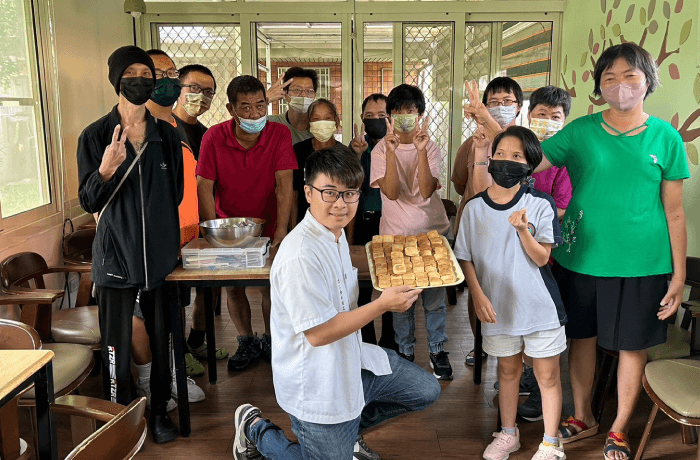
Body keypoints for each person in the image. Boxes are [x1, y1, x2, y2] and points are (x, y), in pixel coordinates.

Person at [232, 148, 441, 460]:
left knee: (425, 389)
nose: (341, 204)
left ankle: (346, 437)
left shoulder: (335, 233)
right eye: (329, 193)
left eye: (350, 194)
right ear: (308, 192)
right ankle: (255, 428)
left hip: (350, 361)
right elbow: (318, 334)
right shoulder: (301, 254)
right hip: (316, 384)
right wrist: (383, 305)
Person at [534, 43, 688, 460]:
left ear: (647, 81)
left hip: (643, 262)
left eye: (630, 76)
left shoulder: (666, 137)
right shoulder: (581, 131)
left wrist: (677, 276)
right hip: (581, 254)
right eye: (610, 78)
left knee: (631, 345)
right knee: (581, 338)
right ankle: (583, 415)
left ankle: (618, 427)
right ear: (599, 87)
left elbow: (675, 213)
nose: (621, 86)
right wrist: (490, 136)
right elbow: (527, 162)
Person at [77, 45, 183, 444]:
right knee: (116, 348)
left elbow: (172, 193)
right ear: (117, 79)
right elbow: (89, 200)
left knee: (161, 339)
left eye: (146, 72)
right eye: (131, 72)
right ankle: (119, 416)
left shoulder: (166, 137)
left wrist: (161, 240)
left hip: (158, 259)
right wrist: (105, 169)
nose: (140, 78)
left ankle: (158, 412)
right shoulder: (95, 135)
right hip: (114, 258)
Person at [455, 126, 567, 460]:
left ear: (529, 165)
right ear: (489, 159)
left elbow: (543, 257)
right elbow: (465, 257)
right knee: (507, 372)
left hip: (539, 308)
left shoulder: (540, 204)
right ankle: (508, 434)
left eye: (516, 156)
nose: (506, 161)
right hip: (498, 307)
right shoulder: (474, 208)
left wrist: (522, 231)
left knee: (546, 377)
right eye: (501, 154)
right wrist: (476, 295)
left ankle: (550, 443)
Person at [196, 75, 297, 372]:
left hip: (268, 224)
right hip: (230, 227)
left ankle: (270, 340)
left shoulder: (278, 134)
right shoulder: (214, 137)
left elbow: (285, 185)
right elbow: (204, 187)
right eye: (246, 107)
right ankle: (246, 340)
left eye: (260, 106)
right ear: (231, 109)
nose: (255, 114)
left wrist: (281, 232)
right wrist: (211, 233)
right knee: (234, 287)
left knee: (270, 287)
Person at [370, 84, 452, 380]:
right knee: (401, 303)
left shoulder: (429, 146)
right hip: (395, 238)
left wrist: (418, 150)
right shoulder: (380, 149)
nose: (405, 116)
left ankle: (437, 349)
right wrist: (392, 151)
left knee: (434, 302)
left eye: (411, 111)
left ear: (420, 115)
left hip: (432, 236)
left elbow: (428, 190)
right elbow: (391, 192)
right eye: (399, 111)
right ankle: (405, 351)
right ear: (390, 116)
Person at [451, 76, 523, 367]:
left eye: (507, 102)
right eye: (493, 103)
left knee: (513, 287)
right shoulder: (473, 142)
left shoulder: (524, 143)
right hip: (479, 228)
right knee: (477, 290)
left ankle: (511, 353)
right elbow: (458, 182)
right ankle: (479, 344)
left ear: (518, 107)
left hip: (515, 229)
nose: (499, 107)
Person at [514, 85, 573, 424]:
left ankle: (540, 389)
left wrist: (530, 222)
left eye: (556, 117)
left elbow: (563, 207)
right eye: (542, 115)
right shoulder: (519, 150)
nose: (548, 122)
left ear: (565, 122)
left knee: (541, 323)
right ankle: (525, 374)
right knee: (519, 317)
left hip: (545, 255)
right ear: (529, 114)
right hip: (513, 252)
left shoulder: (563, 161)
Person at [171, 63, 231, 373]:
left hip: (203, 225)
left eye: (208, 92)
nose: (201, 96)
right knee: (179, 294)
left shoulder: (207, 135)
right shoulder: (166, 129)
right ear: (177, 89)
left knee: (210, 286)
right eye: (194, 88)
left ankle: (196, 340)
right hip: (175, 229)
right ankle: (179, 351)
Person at [348, 93, 397, 350]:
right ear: (361, 119)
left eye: (382, 116)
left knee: (391, 283)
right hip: (363, 224)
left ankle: (391, 342)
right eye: (369, 116)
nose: (375, 121)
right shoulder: (357, 146)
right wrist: (356, 156)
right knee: (363, 288)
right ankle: (365, 343)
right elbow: (349, 186)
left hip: (391, 225)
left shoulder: (400, 145)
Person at [291, 98, 345, 227]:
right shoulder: (298, 151)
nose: (322, 123)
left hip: (335, 226)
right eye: (316, 119)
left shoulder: (345, 154)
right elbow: (293, 193)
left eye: (327, 118)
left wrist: (349, 240)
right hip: (305, 224)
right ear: (309, 123)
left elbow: (349, 197)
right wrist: (293, 228)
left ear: (336, 122)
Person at [266, 66, 318, 144]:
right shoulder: (272, 123)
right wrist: (265, 99)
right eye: (297, 90)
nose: (303, 95)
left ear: (314, 96)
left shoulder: (319, 129)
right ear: (285, 94)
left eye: (309, 91)